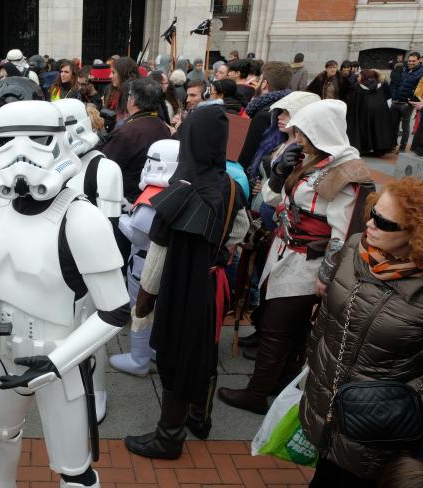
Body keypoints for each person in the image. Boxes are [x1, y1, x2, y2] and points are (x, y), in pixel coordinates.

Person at [0, 99, 130, 488]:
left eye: (36, 139)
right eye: (6, 141)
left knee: (74, 469)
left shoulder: (82, 218)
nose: (21, 153)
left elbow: (115, 312)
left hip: (60, 359)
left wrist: (56, 363)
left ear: (60, 140)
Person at [218, 100, 375, 414]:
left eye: (302, 131)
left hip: (309, 262)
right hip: (283, 250)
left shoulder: (347, 171)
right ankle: (282, 384)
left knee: (279, 327)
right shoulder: (309, 160)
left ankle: (257, 393)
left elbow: (341, 233)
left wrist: (326, 277)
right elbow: (274, 198)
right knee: (287, 326)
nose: (297, 138)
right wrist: (279, 172)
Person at [125, 103, 248, 458]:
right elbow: (239, 230)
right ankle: (199, 417)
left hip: (182, 287)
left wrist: (144, 302)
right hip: (211, 284)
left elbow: (159, 255)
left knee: (177, 358)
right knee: (202, 353)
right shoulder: (229, 183)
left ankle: (168, 439)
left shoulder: (184, 189)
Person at [300, 177, 423, 486]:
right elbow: (328, 318)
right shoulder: (356, 247)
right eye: (373, 211)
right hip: (328, 408)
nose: (370, 223)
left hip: (378, 429)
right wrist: (312, 364)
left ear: (417, 234)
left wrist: (398, 403)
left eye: (384, 222)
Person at [55, 97, 125, 421]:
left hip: (91, 265)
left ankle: (96, 390)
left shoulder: (104, 169)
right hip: (55, 259)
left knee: (92, 334)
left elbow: (112, 233)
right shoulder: (49, 164)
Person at [112, 139, 179, 376]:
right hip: (162, 263)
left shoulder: (155, 197)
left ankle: (138, 359)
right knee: (156, 309)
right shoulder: (176, 190)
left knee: (140, 308)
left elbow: (138, 236)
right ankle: (151, 350)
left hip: (143, 262)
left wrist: (118, 216)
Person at [98, 77, 171, 205]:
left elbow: (104, 166)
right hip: (152, 197)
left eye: (129, 95)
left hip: (126, 200)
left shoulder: (128, 132)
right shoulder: (163, 126)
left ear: (132, 100)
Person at [237, 61, 293, 173]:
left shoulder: (264, 114)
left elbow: (247, 154)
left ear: (264, 84)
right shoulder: (289, 107)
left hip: (256, 174)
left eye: (259, 80)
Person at [346, 69, 395, 156]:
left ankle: (364, 148)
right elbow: (386, 97)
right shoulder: (380, 86)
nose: (358, 77)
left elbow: (354, 101)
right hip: (379, 112)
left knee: (364, 129)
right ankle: (378, 148)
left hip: (363, 112)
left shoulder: (359, 87)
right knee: (376, 129)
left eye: (360, 75)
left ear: (364, 76)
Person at [389, 52, 422, 153]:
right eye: (409, 61)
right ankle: (392, 145)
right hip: (396, 101)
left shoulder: (421, 72)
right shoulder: (403, 69)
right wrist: (394, 96)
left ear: (419, 60)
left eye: (413, 61)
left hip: (407, 104)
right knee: (393, 125)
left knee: (405, 127)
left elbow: (420, 89)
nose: (411, 63)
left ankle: (402, 148)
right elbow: (396, 83)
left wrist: (410, 101)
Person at [104, 56, 141, 125]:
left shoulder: (137, 94)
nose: (110, 76)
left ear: (123, 73)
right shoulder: (109, 90)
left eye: (113, 72)